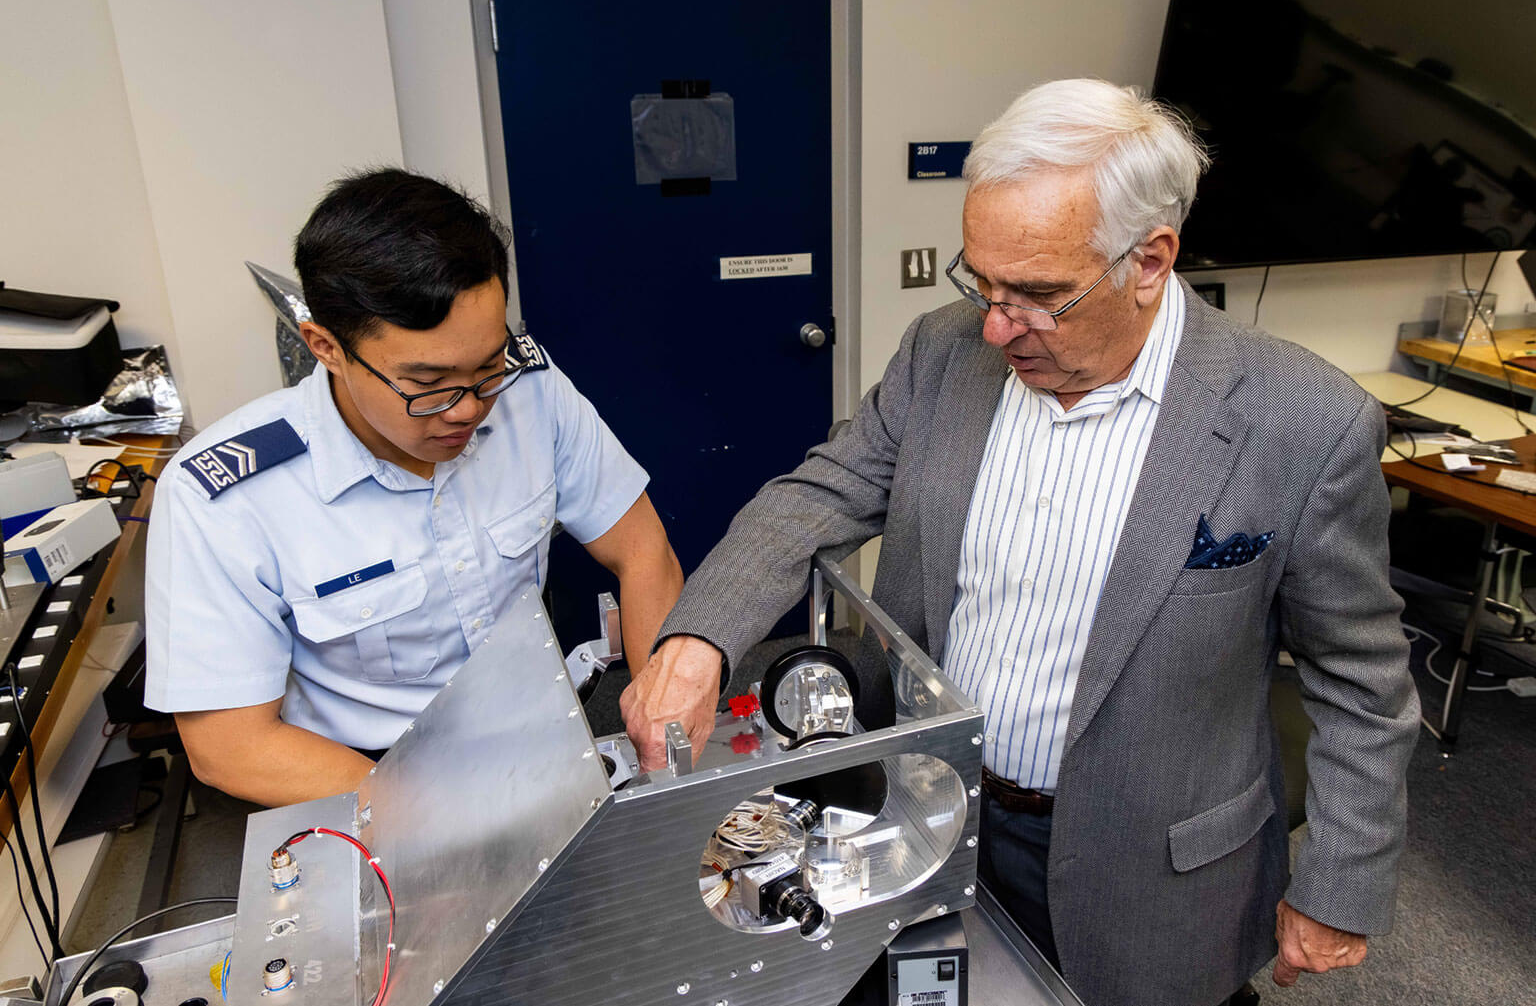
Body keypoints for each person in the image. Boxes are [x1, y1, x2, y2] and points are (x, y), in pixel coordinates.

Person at [621, 80, 1418, 1006]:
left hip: (1153, 868)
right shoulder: (942, 352)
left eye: (1037, 295)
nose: (997, 325)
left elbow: (1363, 682)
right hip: (933, 804)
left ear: (1150, 260)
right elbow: (814, 495)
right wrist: (696, 638)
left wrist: (1341, 885)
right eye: (981, 282)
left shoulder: (1304, 421)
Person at [146, 169, 683, 807]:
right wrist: (443, 818)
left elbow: (642, 551)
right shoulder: (225, 495)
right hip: (358, 781)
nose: (466, 409)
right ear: (326, 347)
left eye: (488, 368)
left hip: (540, 746)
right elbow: (230, 748)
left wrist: (662, 726)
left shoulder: (532, 391)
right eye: (427, 383)